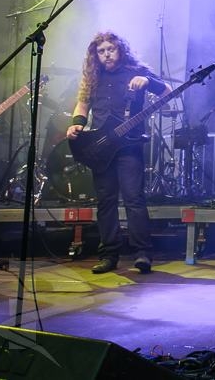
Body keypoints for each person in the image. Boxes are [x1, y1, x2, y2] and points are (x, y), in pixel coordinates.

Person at [65, 32, 168, 275]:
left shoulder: (137, 71)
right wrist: (77, 123)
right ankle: (109, 255)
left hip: (129, 146)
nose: (106, 54)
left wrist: (147, 81)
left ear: (120, 49)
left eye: (110, 49)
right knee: (106, 201)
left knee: (134, 198)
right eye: (101, 51)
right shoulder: (93, 76)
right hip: (101, 146)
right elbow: (82, 104)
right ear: (95, 55)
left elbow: (166, 92)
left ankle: (142, 253)